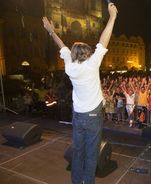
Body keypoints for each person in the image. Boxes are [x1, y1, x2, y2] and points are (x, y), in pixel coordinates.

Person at [42, 3, 118, 184]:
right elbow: (103, 41)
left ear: (74, 54)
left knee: (78, 153)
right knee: (92, 154)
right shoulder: (92, 65)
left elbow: (61, 45)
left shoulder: (69, 66)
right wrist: (113, 17)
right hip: (93, 116)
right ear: (87, 54)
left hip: (78, 116)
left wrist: (51, 31)